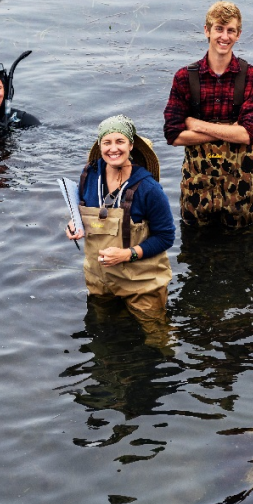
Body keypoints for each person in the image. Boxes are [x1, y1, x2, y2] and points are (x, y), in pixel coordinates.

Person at [163, 1, 253, 229]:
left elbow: (249, 134)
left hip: (240, 189)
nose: (224, 36)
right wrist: (230, 131)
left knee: (241, 248)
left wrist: (196, 125)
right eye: (219, 29)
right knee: (193, 250)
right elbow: (173, 135)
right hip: (196, 190)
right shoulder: (184, 77)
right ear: (207, 30)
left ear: (238, 34)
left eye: (231, 30)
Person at [66, 115, 175, 338]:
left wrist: (127, 254)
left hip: (142, 284)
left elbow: (166, 237)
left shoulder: (149, 189)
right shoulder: (89, 175)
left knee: (158, 339)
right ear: (99, 145)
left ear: (131, 145)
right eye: (107, 142)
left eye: (120, 141)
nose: (113, 148)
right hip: (100, 281)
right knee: (104, 335)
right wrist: (74, 224)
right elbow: (82, 208)